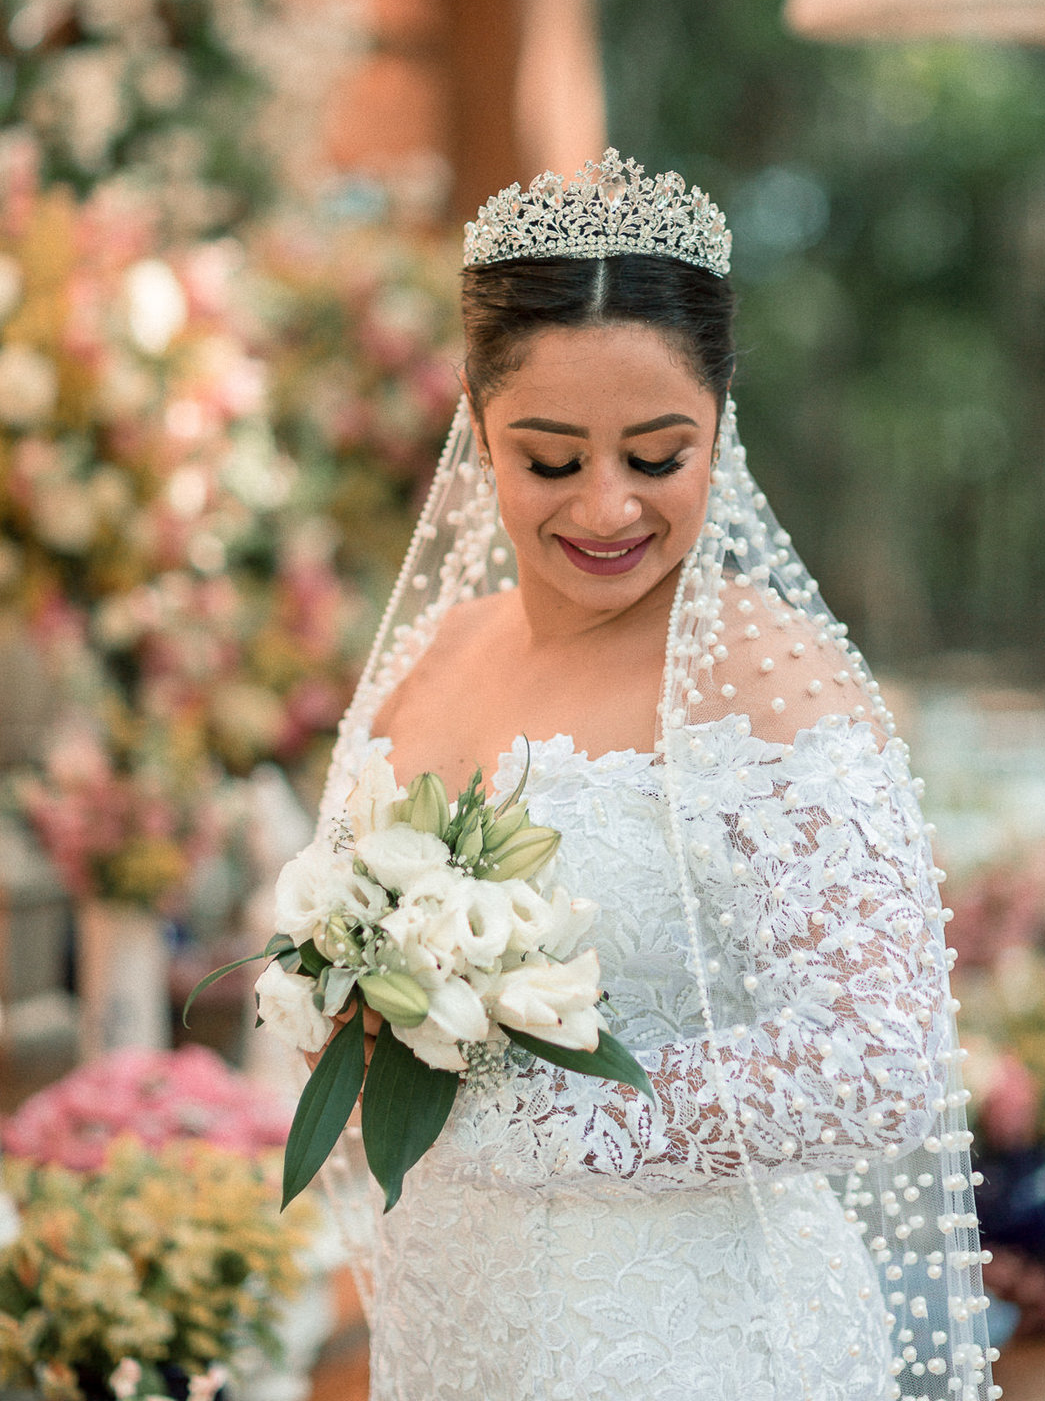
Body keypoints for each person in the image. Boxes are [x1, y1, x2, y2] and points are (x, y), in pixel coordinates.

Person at [315, 150, 996, 1401]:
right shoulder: (428, 654)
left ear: (721, 428)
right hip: (459, 1325)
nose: (609, 507)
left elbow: (881, 1054)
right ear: (478, 426)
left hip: (701, 1342)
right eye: (553, 459)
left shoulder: (763, 680)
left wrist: (541, 1113)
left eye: (658, 454)